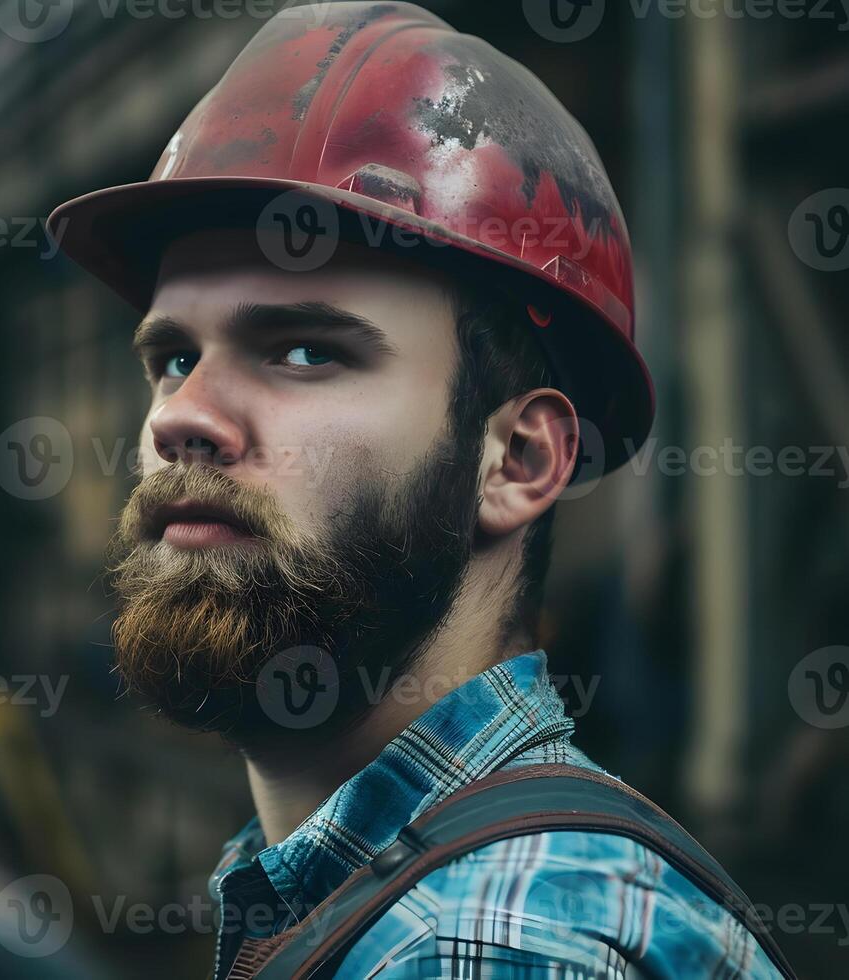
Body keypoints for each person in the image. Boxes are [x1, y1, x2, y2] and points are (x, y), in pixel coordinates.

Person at [48, 3, 793, 977]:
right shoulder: (360, 890)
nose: (183, 414)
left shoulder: (486, 948)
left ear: (518, 460)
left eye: (305, 350)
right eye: (174, 356)